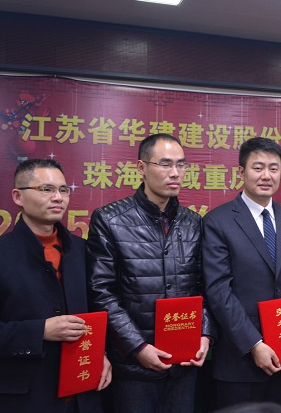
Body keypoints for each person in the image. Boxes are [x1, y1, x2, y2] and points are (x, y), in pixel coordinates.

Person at [0, 159, 111, 412]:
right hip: (22, 399)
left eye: (63, 190)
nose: (58, 197)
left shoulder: (84, 251)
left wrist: (102, 354)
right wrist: (40, 331)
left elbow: (100, 311)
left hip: (83, 394)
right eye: (46, 189)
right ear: (18, 196)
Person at [87, 133, 214, 413]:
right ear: (141, 168)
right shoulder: (110, 219)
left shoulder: (194, 223)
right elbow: (101, 292)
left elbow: (205, 286)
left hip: (184, 363)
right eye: (165, 164)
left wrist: (205, 334)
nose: (175, 173)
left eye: (181, 165)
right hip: (134, 367)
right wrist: (138, 347)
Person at [202, 137, 281, 410]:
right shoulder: (218, 221)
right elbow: (219, 291)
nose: (266, 176)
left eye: (274, 168)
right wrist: (254, 343)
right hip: (240, 360)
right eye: (258, 167)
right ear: (241, 172)